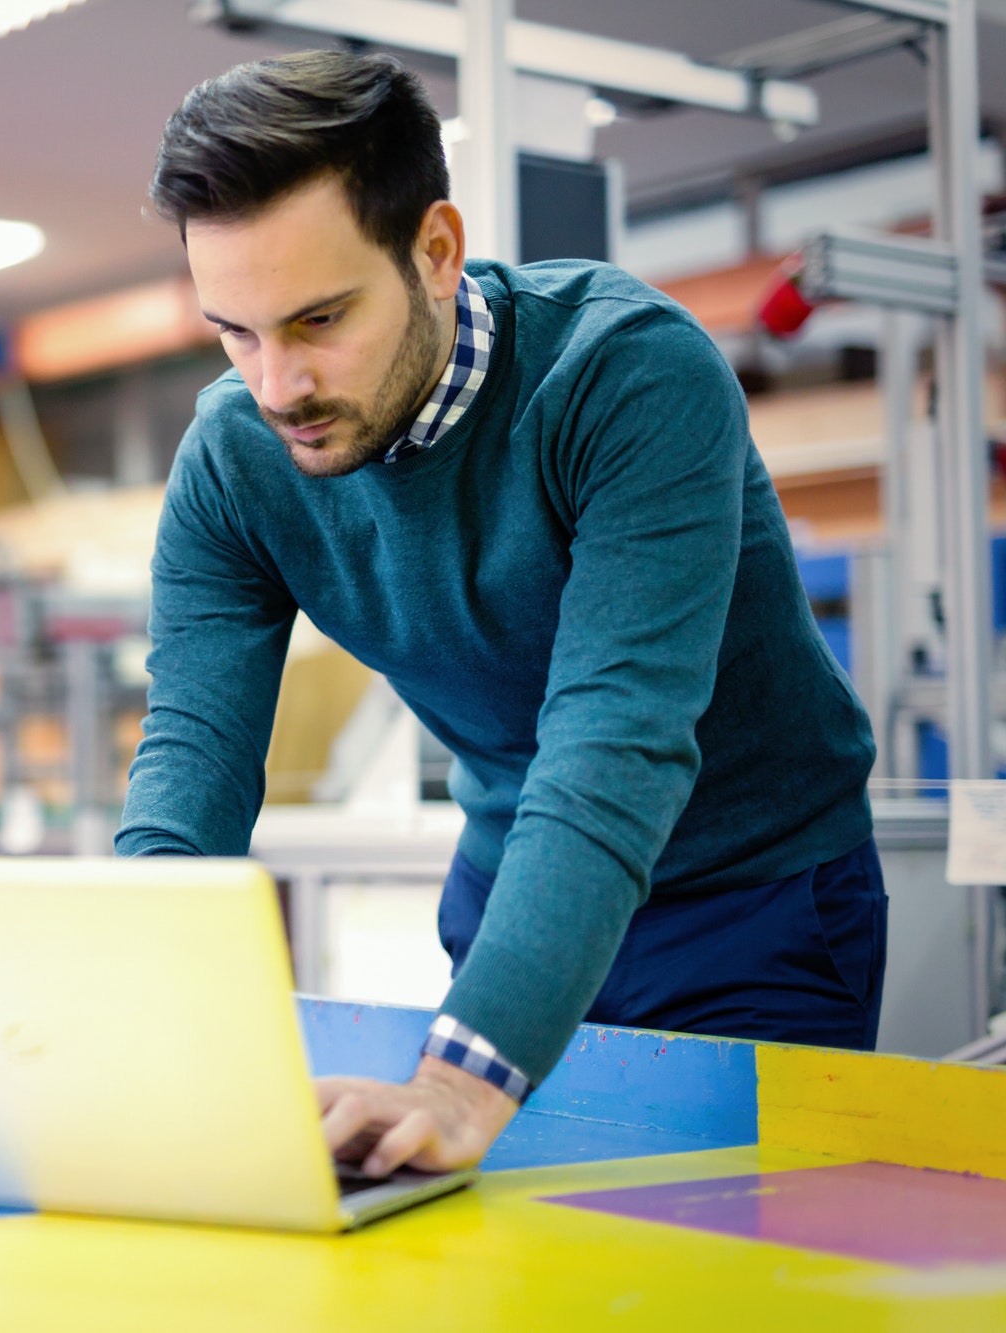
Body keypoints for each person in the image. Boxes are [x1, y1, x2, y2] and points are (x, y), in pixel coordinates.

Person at [119, 52, 884, 1177]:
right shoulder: (236, 459)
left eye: (317, 319)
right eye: (234, 331)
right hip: (512, 893)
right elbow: (189, 768)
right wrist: (116, 1021)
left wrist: (459, 1075)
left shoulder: (622, 378)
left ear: (433, 251)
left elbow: (612, 741)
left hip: (749, 902)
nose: (275, 384)